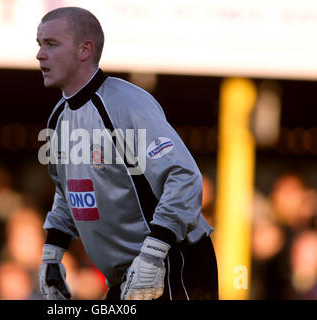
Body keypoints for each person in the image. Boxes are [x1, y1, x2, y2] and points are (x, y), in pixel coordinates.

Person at [36, 6, 218, 300]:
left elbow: (184, 177)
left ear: (85, 50)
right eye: (39, 44)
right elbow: (67, 191)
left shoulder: (126, 105)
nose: (40, 55)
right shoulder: (58, 119)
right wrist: (52, 255)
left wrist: (153, 254)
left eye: (51, 44)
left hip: (171, 261)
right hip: (127, 274)